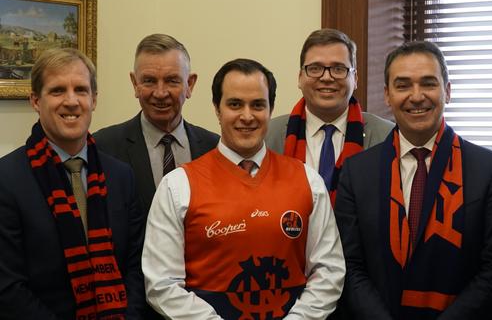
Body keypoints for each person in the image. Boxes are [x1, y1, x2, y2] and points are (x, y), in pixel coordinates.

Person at [142, 58, 345, 319]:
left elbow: (329, 270)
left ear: (271, 109)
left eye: (258, 105)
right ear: (217, 109)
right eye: (235, 104)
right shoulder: (178, 185)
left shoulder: (307, 180)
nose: (247, 116)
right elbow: (162, 284)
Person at [334, 41, 492, 319]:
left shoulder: (489, 169)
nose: (416, 96)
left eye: (428, 83)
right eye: (402, 86)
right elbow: (349, 266)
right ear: (387, 95)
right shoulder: (356, 172)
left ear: (447, 91)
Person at [0, 48, 145, 319]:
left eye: (81, 89)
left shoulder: (121, 176)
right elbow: (8, 288)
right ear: (35, 100)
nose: (71, 101)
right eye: (57, 91)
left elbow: (136, 267)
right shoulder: (6, 180)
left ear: (94, 99)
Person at [94, 33, 219, 214]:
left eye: (171, 81)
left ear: (189, 84)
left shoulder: (214, 148)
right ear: (135, 84)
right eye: (149, 81)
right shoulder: (103, 147)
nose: (160, 93)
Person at [266, 28, 393, 203]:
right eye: (315, 68)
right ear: (300, 77)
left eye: (338, 68)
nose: (326, 77)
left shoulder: (388, 137)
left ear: (355, 78)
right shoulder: (268, 136)